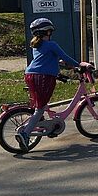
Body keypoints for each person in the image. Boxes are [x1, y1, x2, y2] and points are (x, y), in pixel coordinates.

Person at [16, 18, 86, 150]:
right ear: (47, 32)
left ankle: (48, 126)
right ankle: (25, 134)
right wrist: (79, 65)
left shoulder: (36, 46)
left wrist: (57, 72)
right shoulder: (52, 45)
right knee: (40, 108)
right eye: (50, 31)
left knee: (41, 102)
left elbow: (45, 60)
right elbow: (65, 57)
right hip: (43, 77)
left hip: (30, 74)